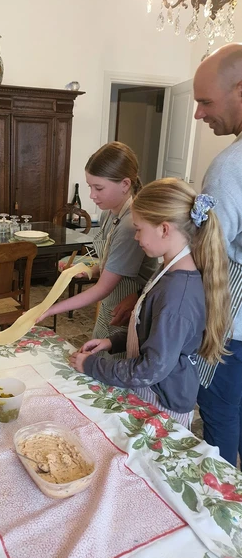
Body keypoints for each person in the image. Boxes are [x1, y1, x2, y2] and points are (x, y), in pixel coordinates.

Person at [69, 179, 230, 428]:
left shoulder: (177, 296)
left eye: (139, 228)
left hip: (162, 403)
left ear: (164, 229)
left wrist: (92, 365)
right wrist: (112, 341)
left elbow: (149, 370)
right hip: (150, 390)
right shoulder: (167, 271)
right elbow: (152, 333)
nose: (135, 236)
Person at [38, 142, 157, 358]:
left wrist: (49, 309)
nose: (91, 195)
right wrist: (91, 269)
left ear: (125, 184)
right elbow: (109, 262)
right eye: (89, 186)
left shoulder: (131, 224)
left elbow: (102, 288)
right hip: (109, 307)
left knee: (112, 370)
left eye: (98, 188)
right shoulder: (109, 214)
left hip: (124, 312)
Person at [192, 43, 242, 466]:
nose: (198, 114)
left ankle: (222, 509)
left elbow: (208, 259)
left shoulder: (229, 167)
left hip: (233, 330)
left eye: (205, 101)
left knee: (222, 418)